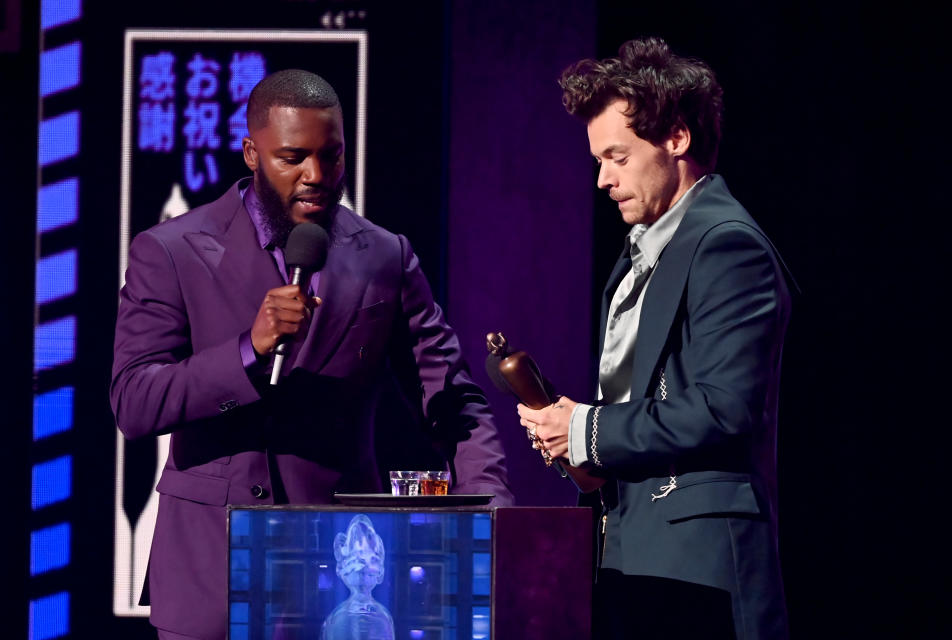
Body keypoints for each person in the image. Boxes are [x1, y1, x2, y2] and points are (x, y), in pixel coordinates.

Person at [111, 69, 513, 640]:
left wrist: (492, 507)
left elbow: (450, 396)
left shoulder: (384, 256)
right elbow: (134, 401)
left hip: (340, 577)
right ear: (252, 152)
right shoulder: (171, 251)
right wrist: (247, 351)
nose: (316, 176)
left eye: (332, 156)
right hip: (212, 573)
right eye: (293, 157)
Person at [517, 37, 792, 639]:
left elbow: (726, 408)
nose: (601, 179)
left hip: (696, 568)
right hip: (628, 553)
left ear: (676, 138)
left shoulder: (726, 245)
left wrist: (588, 429)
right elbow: (640, 403)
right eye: (597, 160)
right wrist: (584, 453)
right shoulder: (642, 252)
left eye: (616, 156)